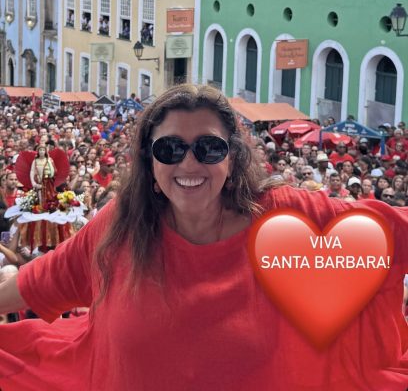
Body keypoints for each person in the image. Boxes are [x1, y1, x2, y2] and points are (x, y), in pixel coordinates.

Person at [0, 84, 407, 391]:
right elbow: (41, 281)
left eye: (208, 148)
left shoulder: (288, 218)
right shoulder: (119, 226)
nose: (189, 163)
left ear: (232, 156)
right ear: (148, 160)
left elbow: (391, 231)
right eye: (170, 149)